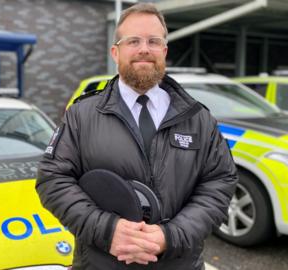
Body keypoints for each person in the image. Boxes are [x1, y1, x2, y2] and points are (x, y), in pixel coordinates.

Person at [36, 3, 237, 270]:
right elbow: (52, 179)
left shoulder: (198, 118)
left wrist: (171, 236)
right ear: (115, 52)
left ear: (164, 51)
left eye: (154, 41)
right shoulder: (81, 116)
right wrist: (108, 230)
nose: (144, 48)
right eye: (133, 41)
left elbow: (219, 183)